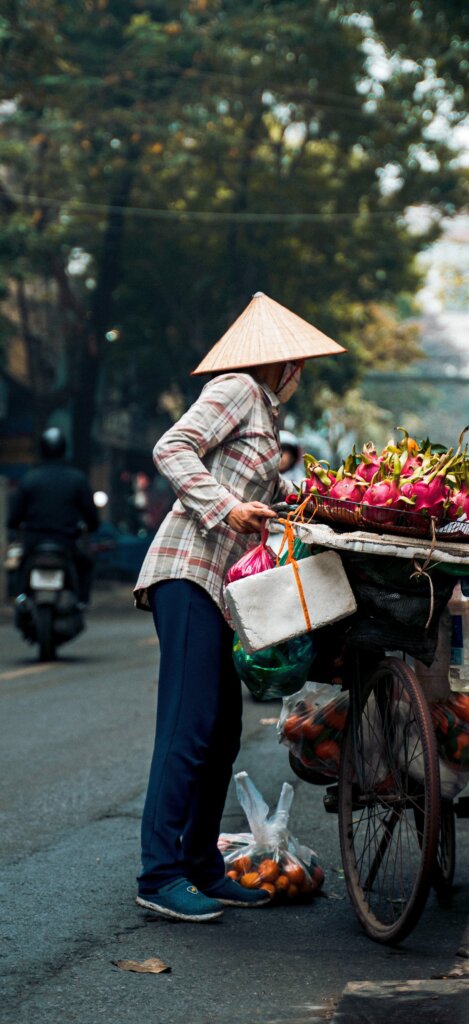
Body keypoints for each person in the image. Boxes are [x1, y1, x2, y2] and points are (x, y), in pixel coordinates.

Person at [132, 291, 345, 923]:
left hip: (224, 592)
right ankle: (159, 873)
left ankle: (200, 866)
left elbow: (272, 491)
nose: (300, 374)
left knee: (221, 731)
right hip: (188, 572)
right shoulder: (236, 390)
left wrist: (326, 501)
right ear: (281, 363)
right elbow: (172, 448)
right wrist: (226, 507)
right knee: (188, 726)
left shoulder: (267, 417)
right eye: (298, 362)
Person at [7, 427, 99, 604]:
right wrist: (91, 526)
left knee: (20, 566)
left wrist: (15, 527)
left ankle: (20, 599)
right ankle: (81, 602)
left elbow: (14, 517)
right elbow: (91, 516)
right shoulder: (77, 479)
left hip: (34, 542)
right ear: (64, 449)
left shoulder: (29, 479)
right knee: (86, 565)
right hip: (66, 542)